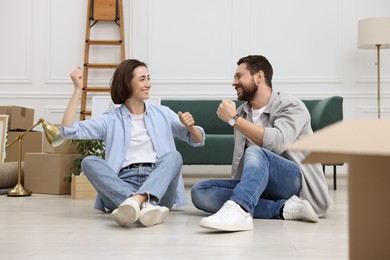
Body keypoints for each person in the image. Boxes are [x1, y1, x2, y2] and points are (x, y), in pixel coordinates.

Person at [191, 55, 332, 231]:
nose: (234, 83)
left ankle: (240, 209)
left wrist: (234, 119)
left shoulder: (291, 105)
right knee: (201, 191)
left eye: (239, 76)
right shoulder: (242, 113)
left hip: (295, 182)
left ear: (259, 76)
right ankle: (283, 208)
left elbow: (278, 142)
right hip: (260, 183)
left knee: (256, 152)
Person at [60, 59, 205, 227]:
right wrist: (78, 89)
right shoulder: (110, 120)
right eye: (142, 79)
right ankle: (143, 205)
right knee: (89, 162)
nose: (148, 84)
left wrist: (191, 127)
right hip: (122, 184)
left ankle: (136, 202)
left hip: (159, 186)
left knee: (174, 156)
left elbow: (198, 139)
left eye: (148, 78)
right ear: (127, 83)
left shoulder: (163, 113)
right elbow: (67, 130)